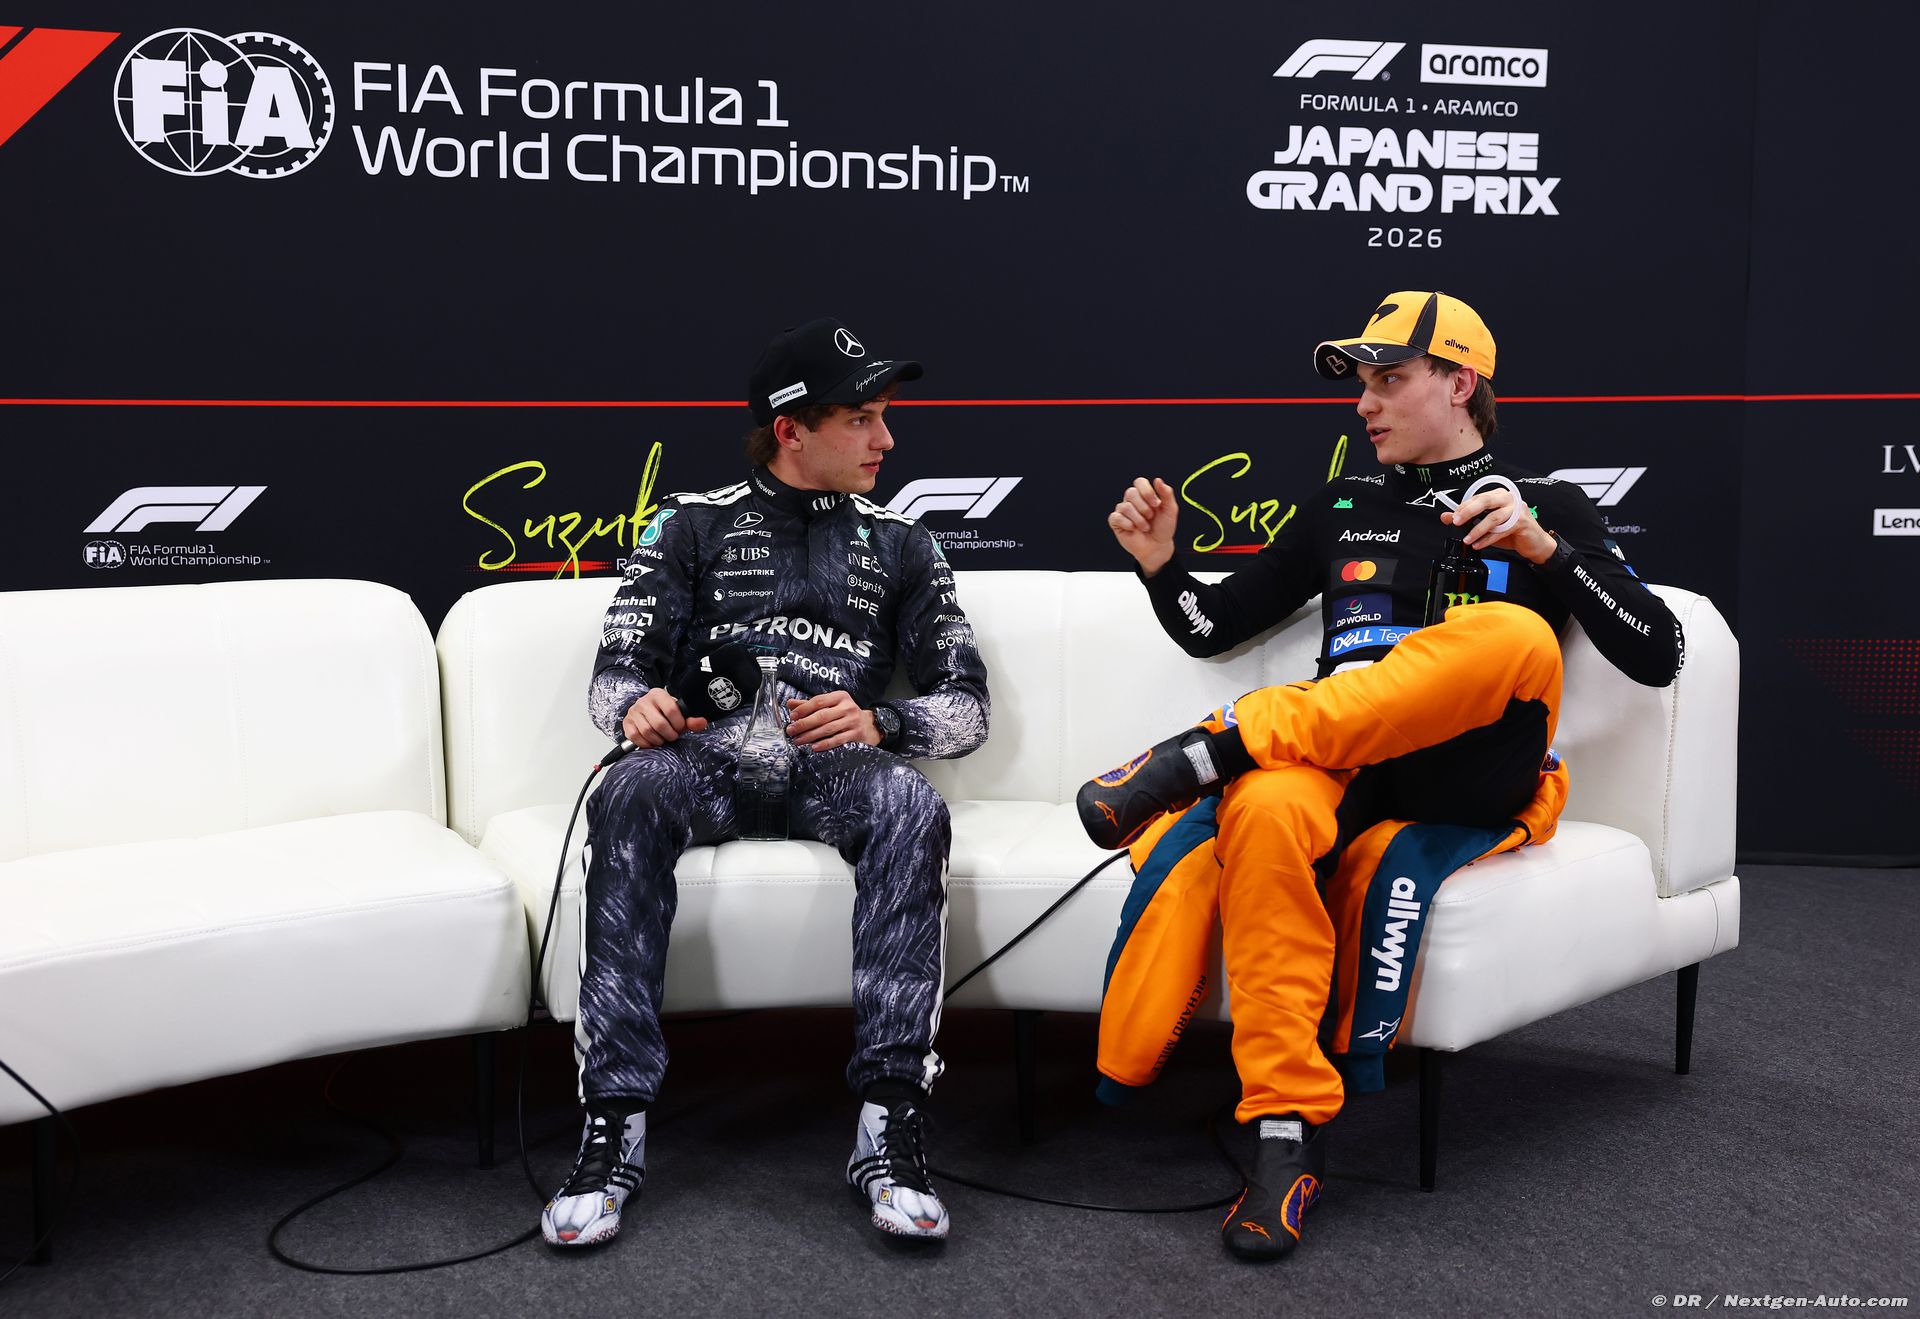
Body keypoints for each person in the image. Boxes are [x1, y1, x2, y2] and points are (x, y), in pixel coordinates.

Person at [1081, 291, 1683, 1262]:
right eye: (1361, 383)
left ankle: (1206, 750)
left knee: (1513, 633)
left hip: (1471, 768)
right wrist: (1161, 566)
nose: (1364, 403)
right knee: (1265, 803)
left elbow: (1659, 650)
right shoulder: (1342, 504)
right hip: (1344, 758)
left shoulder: (1547, 504)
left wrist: (1542, 547)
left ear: (1461, 382)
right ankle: (1284, 1131)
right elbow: (1213, 625)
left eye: (1389, 379)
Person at [542, 317, 990, 1248]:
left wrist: (884, 723)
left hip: (835, 767)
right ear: (791, 429)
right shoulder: (689, 523)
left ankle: (890, 1126)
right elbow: (612, 678)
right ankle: (613, 1125)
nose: (886, 439)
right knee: (626, 791)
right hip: (703, 759)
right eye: (861, 419)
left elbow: (966, 710)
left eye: (885, 416)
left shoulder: (906, 542)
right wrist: (638, 710)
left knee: (910, 800)